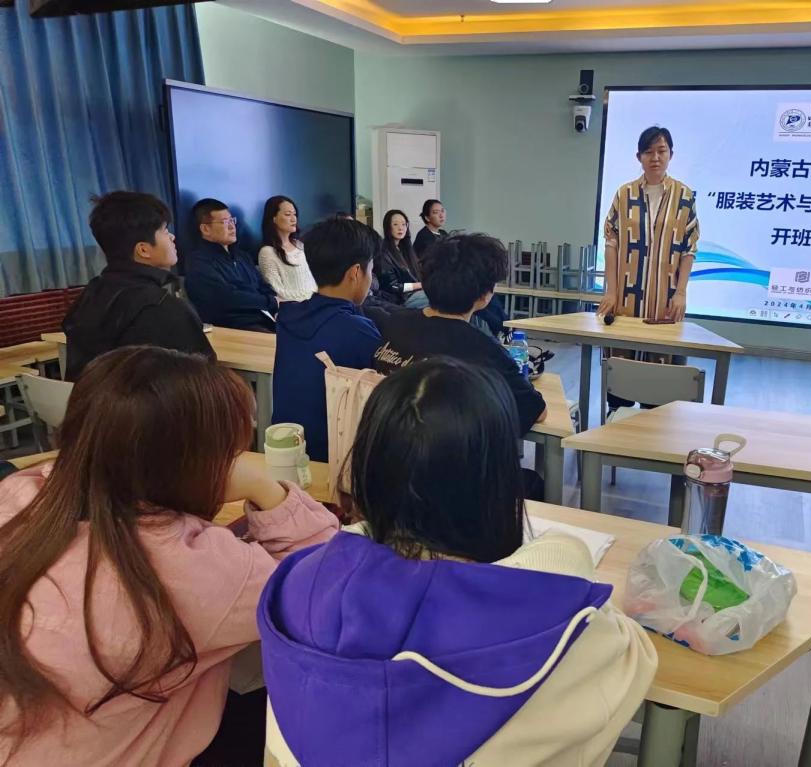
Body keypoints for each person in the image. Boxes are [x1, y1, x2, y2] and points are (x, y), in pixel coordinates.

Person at [259, 359, 657, 767]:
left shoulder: (297, 591)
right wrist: (564, 556)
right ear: (498, 482)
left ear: (368, 467)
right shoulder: (564, 626)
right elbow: (633, 658)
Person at [0, 347, 338, 767]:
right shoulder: (194, 569)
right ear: (196, 463)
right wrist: (264, 488)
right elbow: (325, 582)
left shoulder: (20, 492)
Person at [366, 233, 545, 437]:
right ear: (484, 296)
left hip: (385, 445)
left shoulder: (390, 324)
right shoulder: (484, 350)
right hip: (449, 451)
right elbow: (536, 411)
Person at [62, 192, 214, 382]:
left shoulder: (91, 293)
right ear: (143, 250)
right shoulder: (161, 306)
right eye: (165, 231)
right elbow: (204, 375)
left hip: (93, 399)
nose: (172, 237)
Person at [272, 216, 383, 463]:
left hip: (288, 450)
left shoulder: (288, 317)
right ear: (356, 272)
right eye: (371, 270)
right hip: (335, 458)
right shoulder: (359, 332)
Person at [599, 126, 700, 323]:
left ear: (671, 154)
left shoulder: (684, 196)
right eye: (648, 152)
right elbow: (611, 243)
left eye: (661, 151)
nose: (655, 158)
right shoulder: (624, 194)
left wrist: (681, 292)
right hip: (626, 299)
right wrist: (611, 291)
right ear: (639, 157)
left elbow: (689, 249)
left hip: (666, 302)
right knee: (622, 343)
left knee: (662, 342)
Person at [185, 198, 278, 331]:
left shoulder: (242, 257)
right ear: (205, 229)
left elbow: (263, 286)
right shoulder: (198, 262)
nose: (232, 226)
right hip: (236, 327)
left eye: (232, 220)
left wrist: (276, 307)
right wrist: (270, 302)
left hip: (265, 318)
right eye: (224, 222)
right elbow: (227, 298)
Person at [257, 196, 317, 303]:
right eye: (288, 214)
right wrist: (307, 301)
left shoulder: (299, 245)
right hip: (294, 307)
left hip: (314, 302)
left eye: (294, 214)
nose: (293, 219)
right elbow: (277, 292)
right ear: (274, 218)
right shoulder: (267, 252)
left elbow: (312, 281)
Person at [377, 209, 428, 309]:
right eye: (395, 224)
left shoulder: (406, 249)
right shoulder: (383, 252)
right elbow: (392, 286)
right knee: (437, 298)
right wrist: (420, 285)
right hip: (401, 299)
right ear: (387, 227)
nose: (400, 228)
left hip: (415, 294)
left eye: (404, 224)